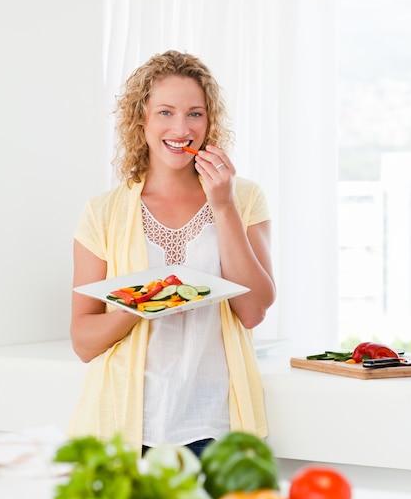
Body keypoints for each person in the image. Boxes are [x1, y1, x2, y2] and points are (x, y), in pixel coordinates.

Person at [68, 49, 276, 457]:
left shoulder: (244, 197)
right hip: (124, 428)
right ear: (140, 118)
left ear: (210, 121)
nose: (181, 128)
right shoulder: (103, 212)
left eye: (195, 114)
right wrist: (138, 304)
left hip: (216, 425)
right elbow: (83, 341)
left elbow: (253, 311)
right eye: (165, 112)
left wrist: (223, 205)